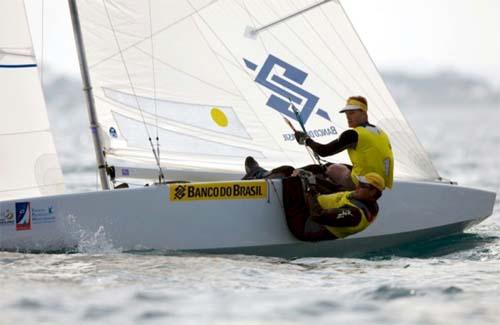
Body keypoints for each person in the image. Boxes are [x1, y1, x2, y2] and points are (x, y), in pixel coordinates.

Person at [295, 96, 394, 191]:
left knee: (331, 169)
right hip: (380, 183)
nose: (348, 117)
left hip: (363, 182)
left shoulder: (353, 134)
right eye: (346, 114)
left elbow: (324, 151)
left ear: (364, 113)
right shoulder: (380, 132)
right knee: (336, 165)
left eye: (352, 113)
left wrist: (306, 140)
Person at [284, 172, 385, 241]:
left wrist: (311, 189)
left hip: (305, 224)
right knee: (295, 170)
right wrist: (312, 178)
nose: (358, 186)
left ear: (373, 192)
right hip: (311, 207)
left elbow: (318, 215)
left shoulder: (355, 215)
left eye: (363, 186)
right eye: (359, 183)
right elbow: (336, 190)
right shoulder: (362, 197)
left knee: (292, 182)